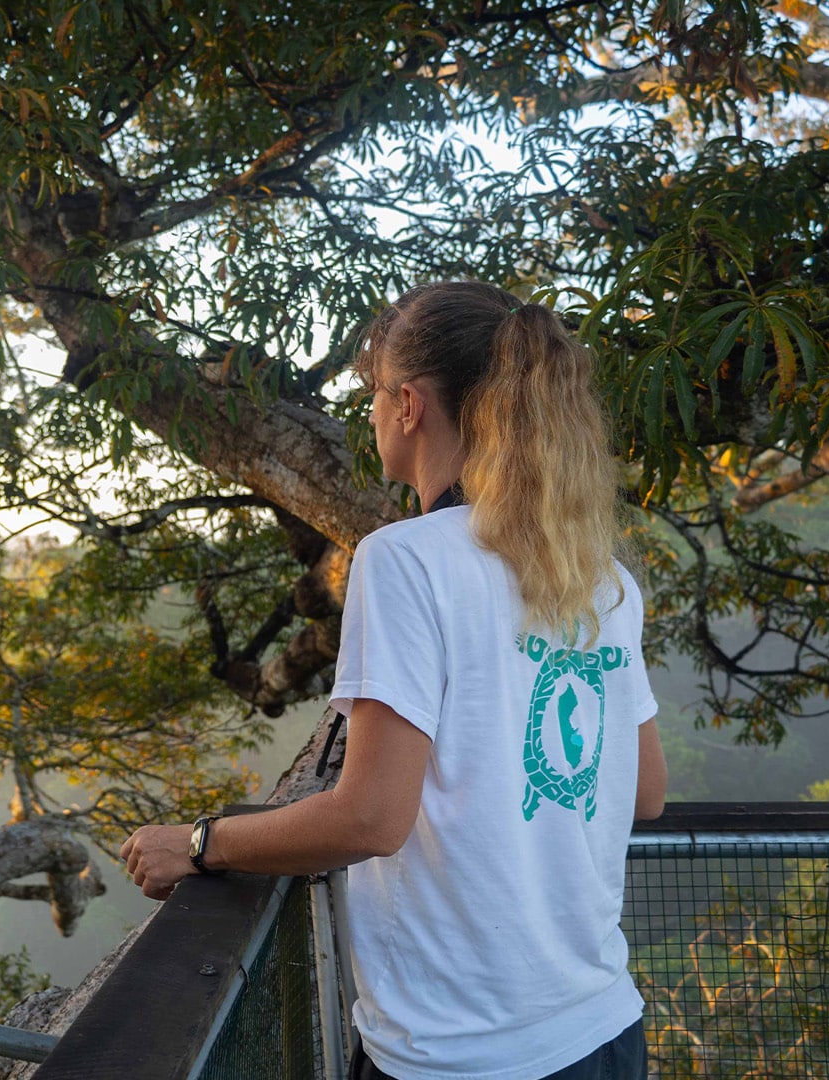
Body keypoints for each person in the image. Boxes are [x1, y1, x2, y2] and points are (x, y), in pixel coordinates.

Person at [120, 280, 669, 1080]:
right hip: (603, 1030)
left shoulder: (404, 560)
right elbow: (644, 792)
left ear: (409, 404)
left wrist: (200, 843)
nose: (372, 415)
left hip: (463, 1054)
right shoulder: (600, 576)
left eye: (374, 396)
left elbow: (371, 819)